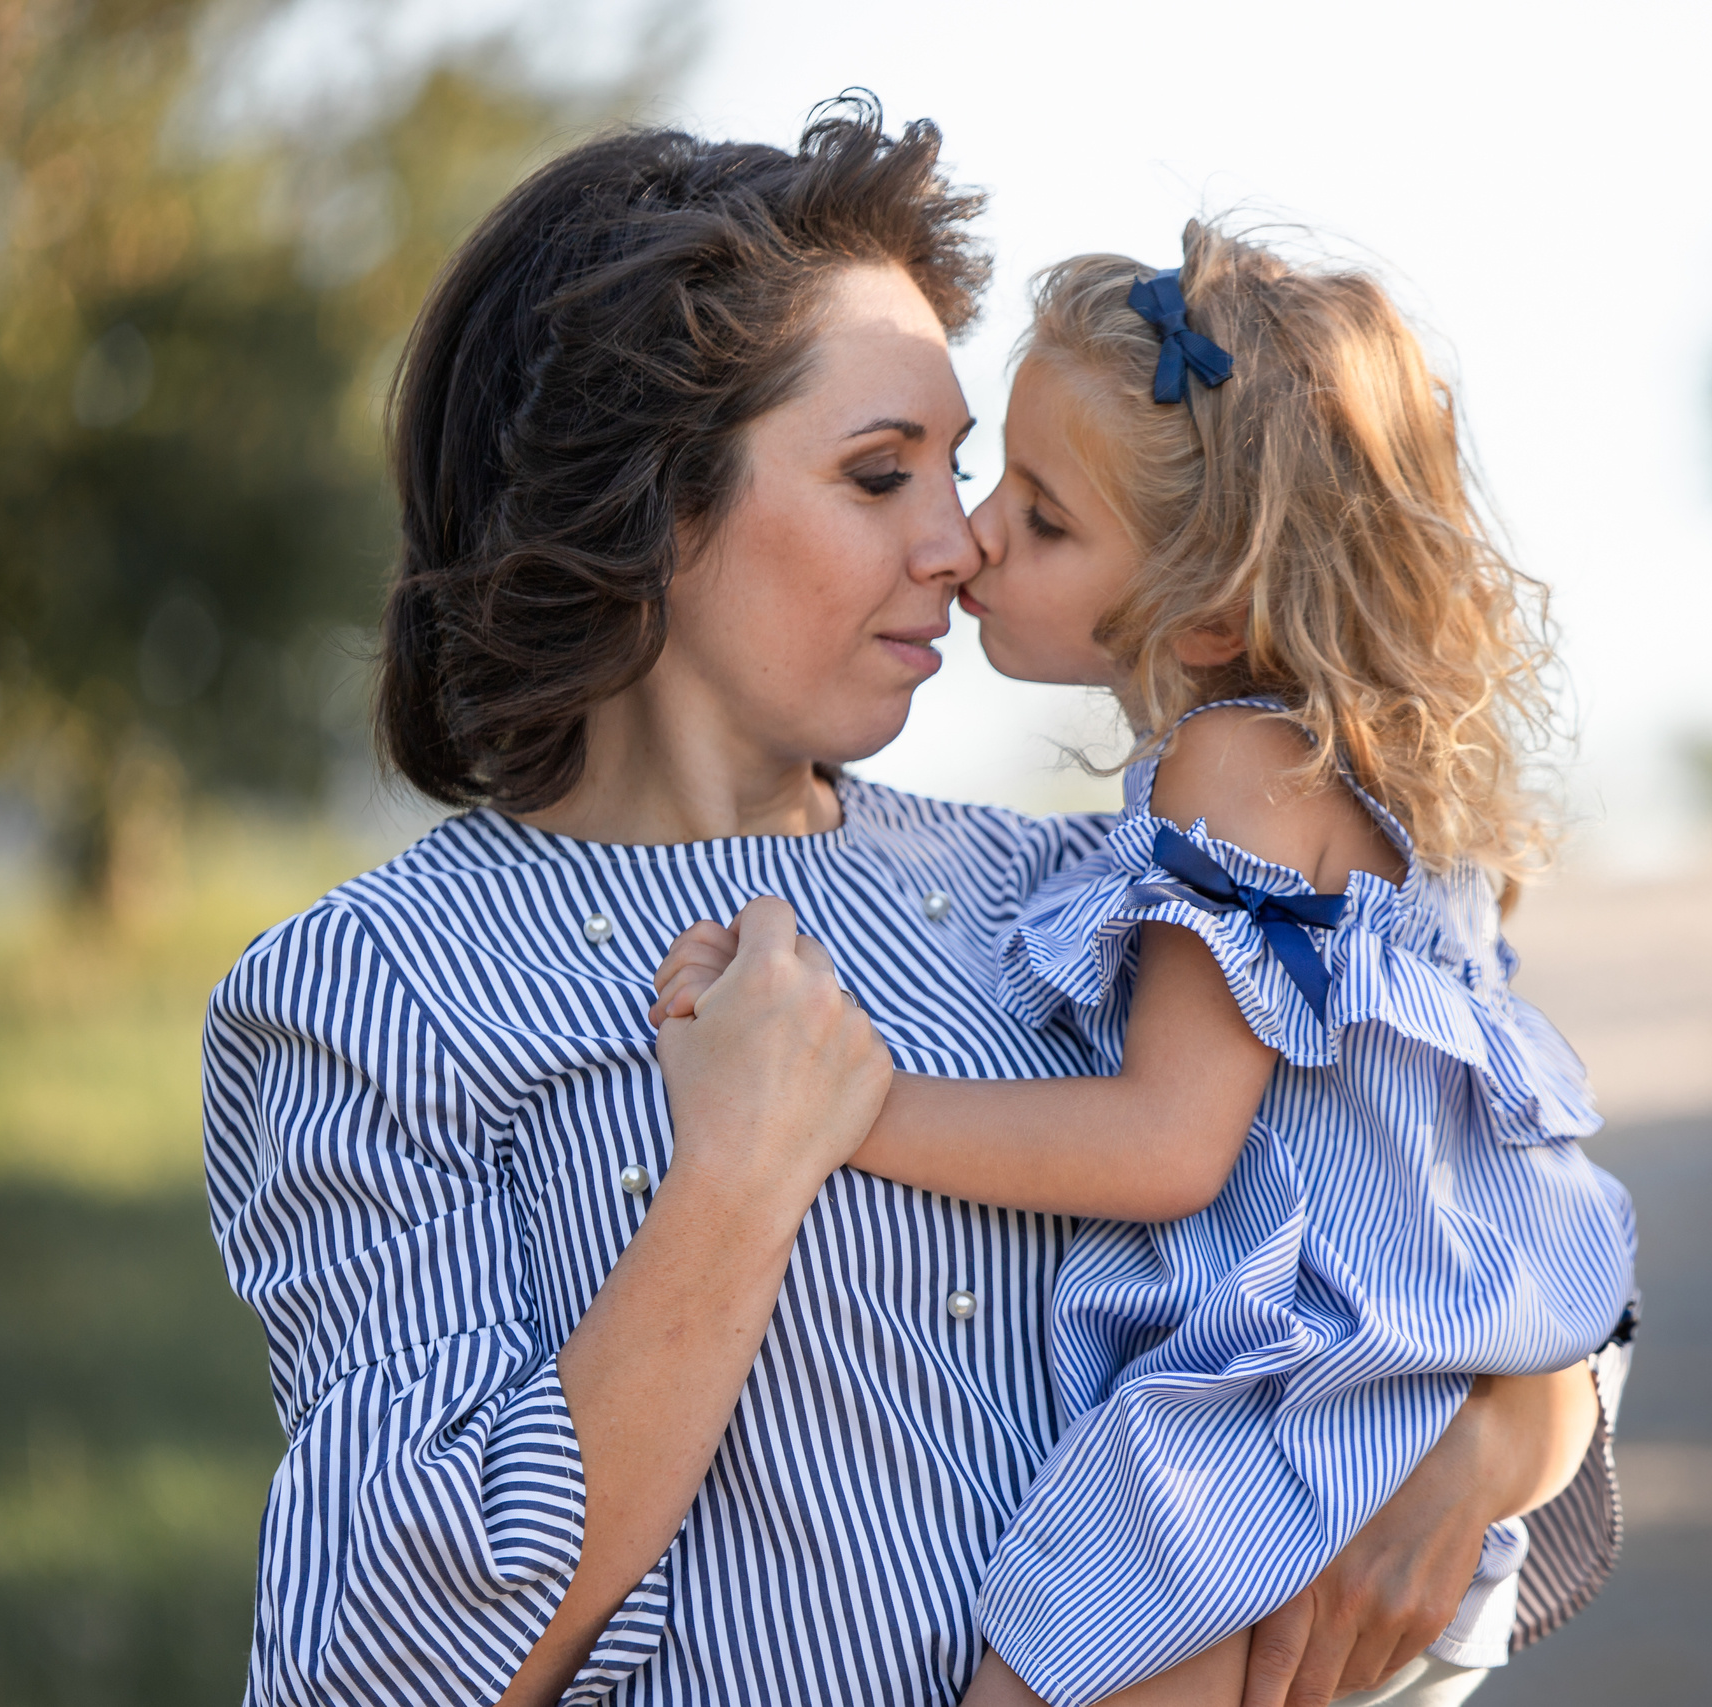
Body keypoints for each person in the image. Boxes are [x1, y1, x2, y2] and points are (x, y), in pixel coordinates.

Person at [202, 103, 1624, 1707]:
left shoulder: (1065, 891)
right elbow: (380, 1662)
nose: (958, 544)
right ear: (646, 505)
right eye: (883, 476)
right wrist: (738, 1175)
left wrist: (1520, 1425)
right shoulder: (368, 993)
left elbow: (1440, 1207)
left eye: (963, 474)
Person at [648, 227, 1637, 1707]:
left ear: (1211, 612)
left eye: (1042, 521)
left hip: (1277, 1415)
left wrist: (849, 1108)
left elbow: (1169, 1144)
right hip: (1395, 1386)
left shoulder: (1232, 772)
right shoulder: (1338, 778)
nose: (972, 535)